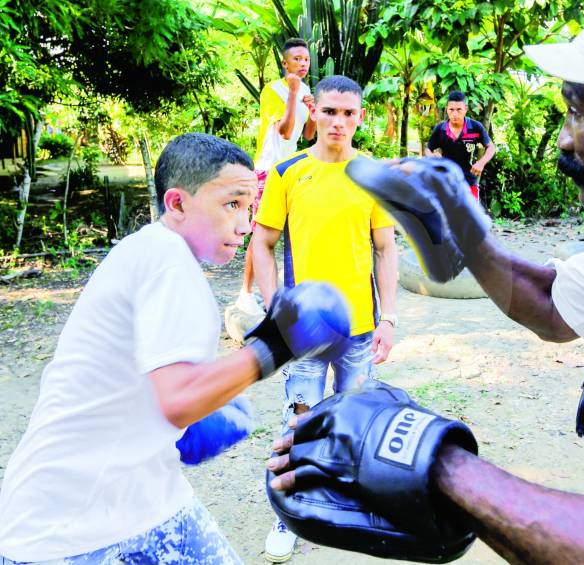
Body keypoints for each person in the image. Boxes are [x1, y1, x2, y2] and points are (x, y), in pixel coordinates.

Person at [267, 2, 584, 564]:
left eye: (580, 111)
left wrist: (433, 461)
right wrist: (464, 229)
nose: (564, 139)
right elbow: (550, 304)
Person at [0, 133, 351, 564]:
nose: (244, 224)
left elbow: (158, 391)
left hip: (152, 505)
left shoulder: (152, 255)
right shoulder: (165, 260)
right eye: (231, 205)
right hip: (68, 533)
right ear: (178, 203)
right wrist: (274, 346)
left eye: (249, 207)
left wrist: (198, 416)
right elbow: (179, 398)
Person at [251, 75, 398, 562]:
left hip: (359, 326)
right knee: (302, 422)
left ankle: (347, 503)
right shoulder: (287, 172)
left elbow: (384, 248)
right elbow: (263, 243)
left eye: (348, 113)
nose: (338, 121)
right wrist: (277, 310)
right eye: (330, 111)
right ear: (314, 113)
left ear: (360, 117)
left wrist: (390, 318)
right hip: (305, 334)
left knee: (352, 420)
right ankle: (289, 512)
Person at [233, 37, 317, 319]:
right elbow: (284, 130)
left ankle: (287, 293)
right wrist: (293, 95)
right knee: (261, 233)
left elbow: (307, 135)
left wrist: (313, 112)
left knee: (292, 233)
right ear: (284, 63)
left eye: (306, 59)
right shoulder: (273, 91)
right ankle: (245, 295)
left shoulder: (305, 90)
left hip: (289, 171)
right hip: (267, 169)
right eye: (297, 59)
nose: (303, 64)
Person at [425, 90, 496, 201]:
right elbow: (428, 149)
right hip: (446, 182)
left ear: (465, 109)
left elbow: (491, 147)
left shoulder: (475, 127)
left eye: (459, 109)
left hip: (469, 182)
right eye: (451, 109)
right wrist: (432, 158)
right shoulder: (440, 129)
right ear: (447, 110)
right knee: (447, 217)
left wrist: (481, 163)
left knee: (471, 217)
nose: (455, 114)